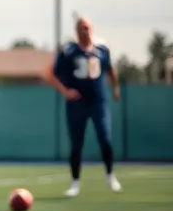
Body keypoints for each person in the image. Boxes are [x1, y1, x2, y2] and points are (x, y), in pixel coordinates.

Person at [44, 16, 122, 196]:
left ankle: (110, 176)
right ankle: (75, 183)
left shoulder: (102, 50)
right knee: (76, 144)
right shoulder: (68, 51)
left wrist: (116, 88)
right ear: (76, 31)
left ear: (92, 29)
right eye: (81, 27)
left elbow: (110, 70)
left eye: (87, 27)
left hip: (98, 102)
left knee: (105, 138)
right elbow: (50, 74)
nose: (84, 31)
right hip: (77, 103)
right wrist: (65, 91)